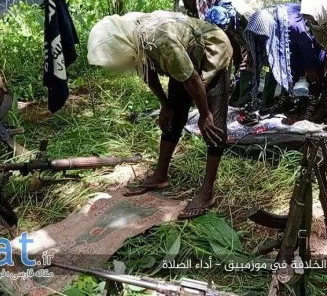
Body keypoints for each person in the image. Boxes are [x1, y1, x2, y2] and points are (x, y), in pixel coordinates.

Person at [87, 11, 232, 219]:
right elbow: (148, 72)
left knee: (214, 126)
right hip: (184, 57)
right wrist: (165, 105)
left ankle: (207, 191)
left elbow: (192, 79)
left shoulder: (160, 41)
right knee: (173, 117)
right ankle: (160, 175)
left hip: (212, 50)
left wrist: (204, 113)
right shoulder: (131, 38)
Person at [244, 3, 327, 120]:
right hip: (292, 44)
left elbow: (307, 44)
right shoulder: (265, 19)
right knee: (289, 68)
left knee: (314, 75)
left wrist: (311, 66)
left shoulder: (293, 24)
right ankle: (285, 96)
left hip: (314, 41)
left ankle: (314, 102)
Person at [204, 0, 284, 106]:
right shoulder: (218, 12)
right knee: (247, 62)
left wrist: (250, 55)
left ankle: (267, 101)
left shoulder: (246, 15)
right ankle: (245, 96)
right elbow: (239, 38)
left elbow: (258, 38)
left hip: (272, 21)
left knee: (271, 60)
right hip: (251, 26)